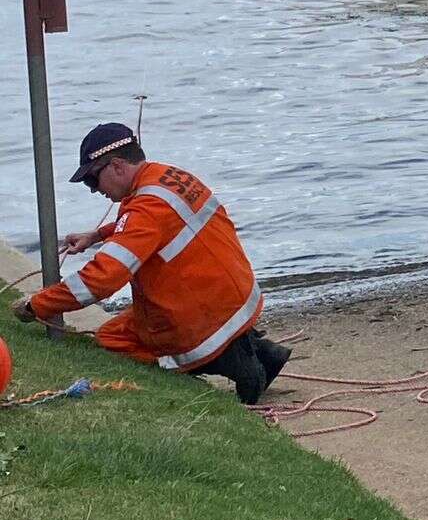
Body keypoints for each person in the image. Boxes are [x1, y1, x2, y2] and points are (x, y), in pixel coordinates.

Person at [10, 123, 291, 404]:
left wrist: (37, 305)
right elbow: (152, 224)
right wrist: (97, 235)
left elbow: (100, 280)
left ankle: (233, 363)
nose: (94, 191)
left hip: (205, 313)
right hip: (233, 297)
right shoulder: (169, 177)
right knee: (113, 335)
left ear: (117, 166)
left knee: (132, 346)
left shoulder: (146, 208)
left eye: (93, 180)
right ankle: (253, 348)